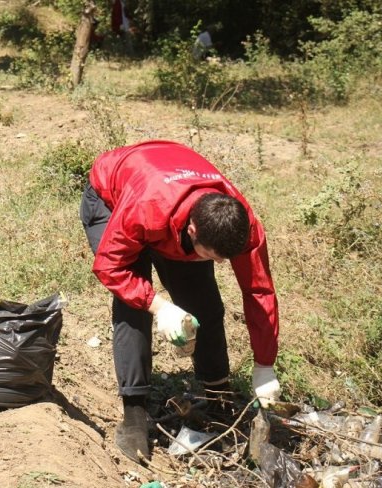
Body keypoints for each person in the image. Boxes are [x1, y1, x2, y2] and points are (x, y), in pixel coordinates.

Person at [79, 140, 281, 464]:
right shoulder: (145, 209)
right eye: (213, 257)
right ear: (192, 231)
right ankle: (134, 414)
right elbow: (110, 267)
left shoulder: (241, 225)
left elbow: (258, 291)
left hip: (169, 201)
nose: (220, 264)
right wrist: (159, 307)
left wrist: (264, 365)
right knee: (134, 307)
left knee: (205, 304)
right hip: (113, 197)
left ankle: (218, 397)